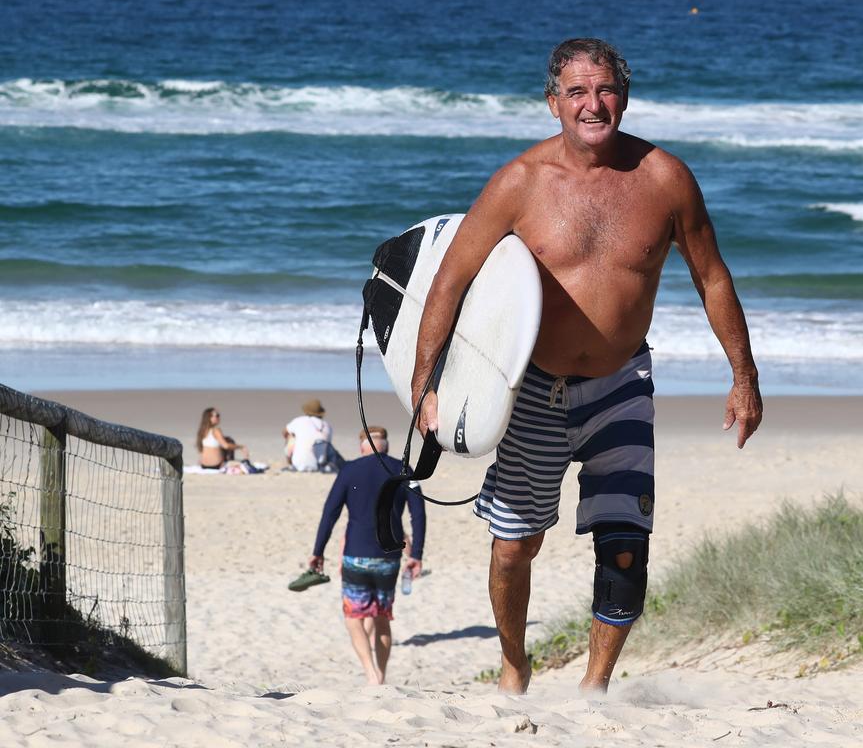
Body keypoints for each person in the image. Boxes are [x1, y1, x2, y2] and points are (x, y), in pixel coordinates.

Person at [411, 38, 763, 694]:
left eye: (604, 90)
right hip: (533, 385)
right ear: (553, 103)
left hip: (622, 381)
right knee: (515, 546)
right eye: (577, 92)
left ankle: (595, 689)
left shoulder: (666, 180)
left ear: (623, 98)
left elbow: (712, 278)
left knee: (625, 544)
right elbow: (450, 282)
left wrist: (744, 377)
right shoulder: (520, 183)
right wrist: (426, 380)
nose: (592, 104)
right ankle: (515, 663)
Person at [308, 426, 426, 685]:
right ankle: (381, 677)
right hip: (390, 557)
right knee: (382, 618)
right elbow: (418, 513)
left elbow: (330, 513)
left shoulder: (350, 470)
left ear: (363, 446)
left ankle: (371, 674)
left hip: (356, 555)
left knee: (354, 617)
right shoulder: (403, 470)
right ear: (386, 444)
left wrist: (318, 551)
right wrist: (416, 554)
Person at [283, 398, 343, 472]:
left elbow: (284, 432)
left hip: (298, 464)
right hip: (319, 465)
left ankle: (291, 463)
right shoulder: (327, 426)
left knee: (290, 437)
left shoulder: (299, 420)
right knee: (325, 445)